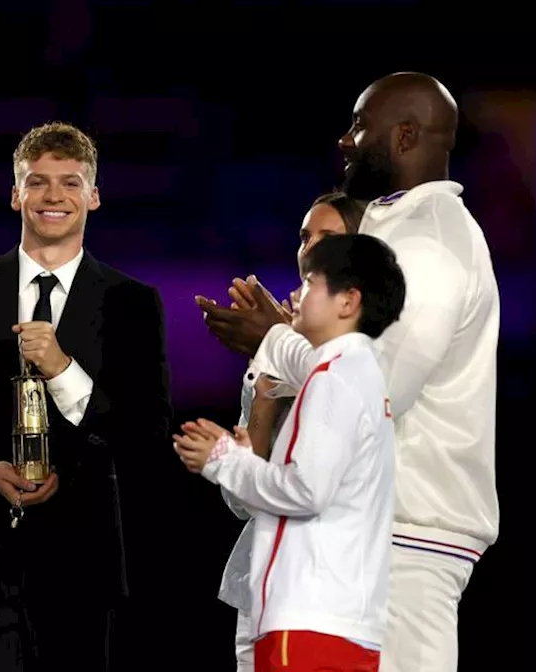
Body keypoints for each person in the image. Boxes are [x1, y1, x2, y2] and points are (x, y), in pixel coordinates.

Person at [199, 73, 499, 672]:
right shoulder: (399, 231)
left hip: (408, 541)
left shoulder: (432, 241)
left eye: (360, 125)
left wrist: (274, 340)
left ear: (407, 135)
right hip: (360, 537)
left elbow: (375, 393)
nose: (344, 140)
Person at [0, 122, 172, 671]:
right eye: (38, 182)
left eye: (70, 183)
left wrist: (63, 370)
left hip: (81, 563)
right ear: (15, 193)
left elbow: (146, 434)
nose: (53, 197)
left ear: (93, 196)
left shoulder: (131, 302)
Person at [177, 233, 407, 671]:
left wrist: (225, 458)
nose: (297, 294)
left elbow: (306, 491)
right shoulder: (355, 371)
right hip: (336, 622)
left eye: (311, 283)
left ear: (347, 302)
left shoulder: (335, 377)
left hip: (308, 623)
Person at [218, 191, 366, 672]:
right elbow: (242, 500)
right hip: (263, 590)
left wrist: (282, 345)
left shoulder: (385, 344)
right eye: (306, 236)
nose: (311, 246)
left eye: (329, 236)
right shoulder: (282, 339)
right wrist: (266, 384)